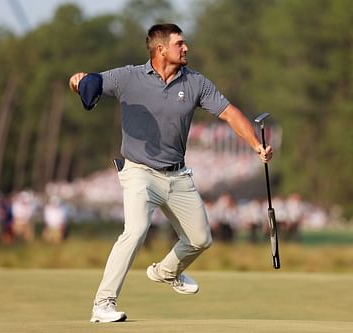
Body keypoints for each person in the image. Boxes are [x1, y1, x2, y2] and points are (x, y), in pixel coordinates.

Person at [69, 23, 273, 323]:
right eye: (180, 43)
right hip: (138, 171)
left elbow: (229, 112)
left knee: (201, 239)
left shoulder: (195, 82)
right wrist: (78, 82)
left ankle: (166, 272)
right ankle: (103, 304)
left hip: (177, 175)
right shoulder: (129, 76)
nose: (186, 47)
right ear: (160, 48)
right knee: (135, 231)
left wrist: (257, 144)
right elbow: (92, 83)